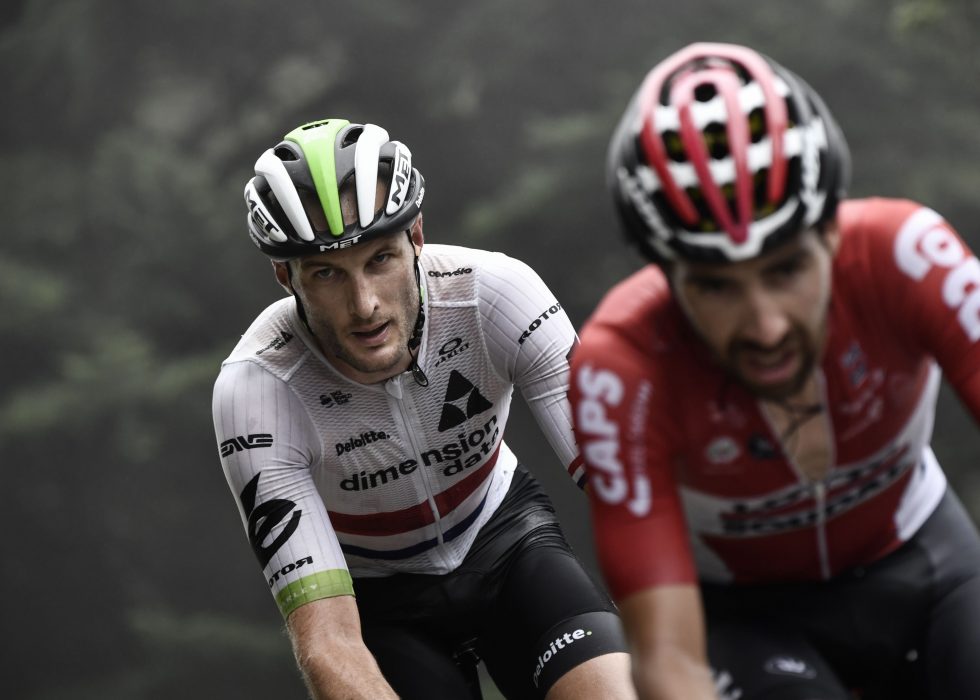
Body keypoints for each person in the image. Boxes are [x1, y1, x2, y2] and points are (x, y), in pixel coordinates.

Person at [568, 42, 980, 700]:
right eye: (715, 286)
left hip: (928, 564)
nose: (766, 327)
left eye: (786, 269)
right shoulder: (621, 366)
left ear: (833, 232)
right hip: (749, 621)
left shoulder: (909, 256)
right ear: (667, 275)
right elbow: (669, 664)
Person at [212, 117, 635, 700]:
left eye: (380, 259)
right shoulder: (258, 389)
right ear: (286, 276)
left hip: (507, 543)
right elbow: (327, 641)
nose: (364, 305)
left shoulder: (495, 295)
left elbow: (632, 498)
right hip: (379, 601)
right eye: (328, 273)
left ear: (415, 236)